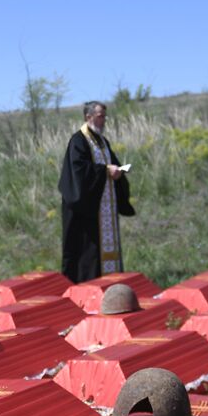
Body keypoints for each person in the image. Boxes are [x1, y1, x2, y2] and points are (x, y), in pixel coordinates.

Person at [58, 100, 134, 283]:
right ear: (88, 117)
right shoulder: (78, 140)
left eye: (104, 116)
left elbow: (109, 164)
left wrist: (118, 172)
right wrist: (105, 171)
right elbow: (79, 171)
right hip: (87, 211)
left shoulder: (101, 141)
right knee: (87, 253)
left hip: (104, 209)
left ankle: (111, 285)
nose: (104, 120)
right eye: (100, 116)